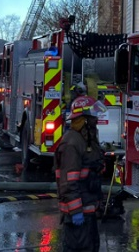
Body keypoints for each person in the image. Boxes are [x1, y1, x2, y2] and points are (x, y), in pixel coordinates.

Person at [56, 96, 107, 252]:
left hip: (88, 211)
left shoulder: (85, 139)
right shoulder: (72, 143)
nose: (96, 119)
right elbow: (68, 182)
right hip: (77, 215)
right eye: (93, 116)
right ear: (84, 119)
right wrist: (76, 211)